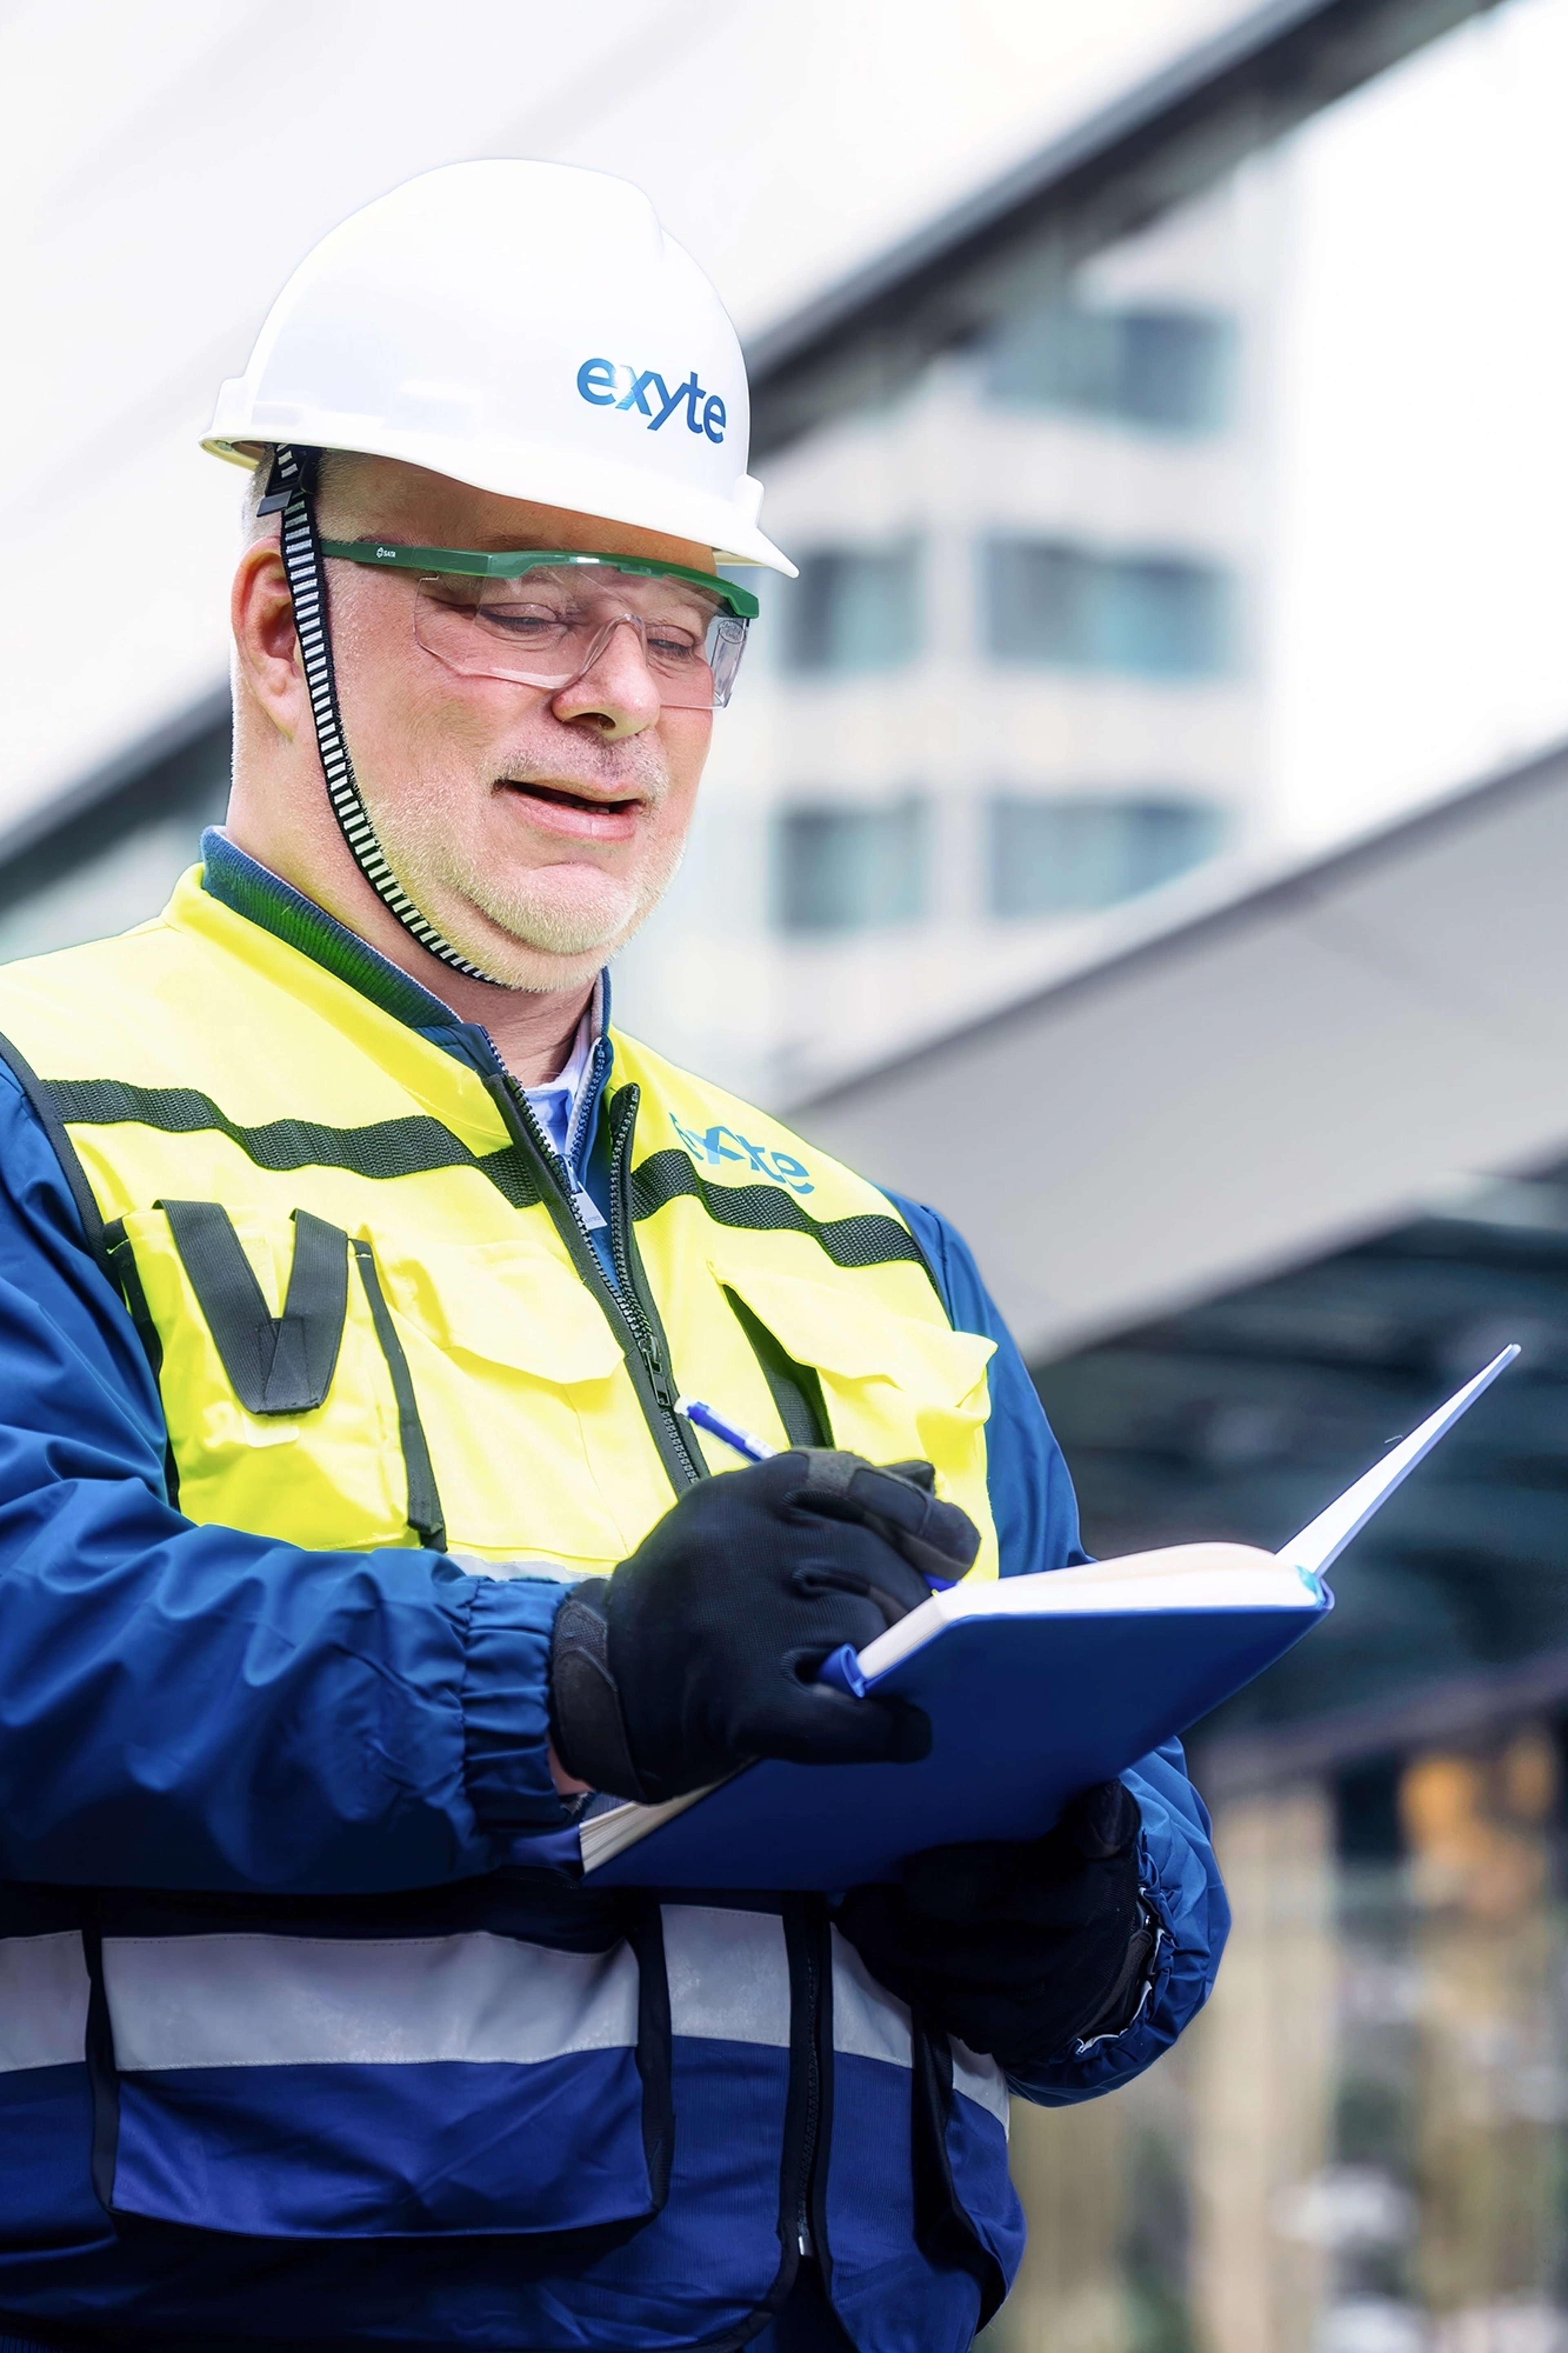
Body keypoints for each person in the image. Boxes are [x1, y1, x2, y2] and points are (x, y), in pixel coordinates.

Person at [0, 162, 1227, 2353]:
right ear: (282, 629)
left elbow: (1133, 1892)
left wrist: (1082, 1914)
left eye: (682, 625)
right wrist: (571, 1684)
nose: (621, 698)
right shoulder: (44, 1100)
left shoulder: (870, 1254)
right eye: (525, 604)